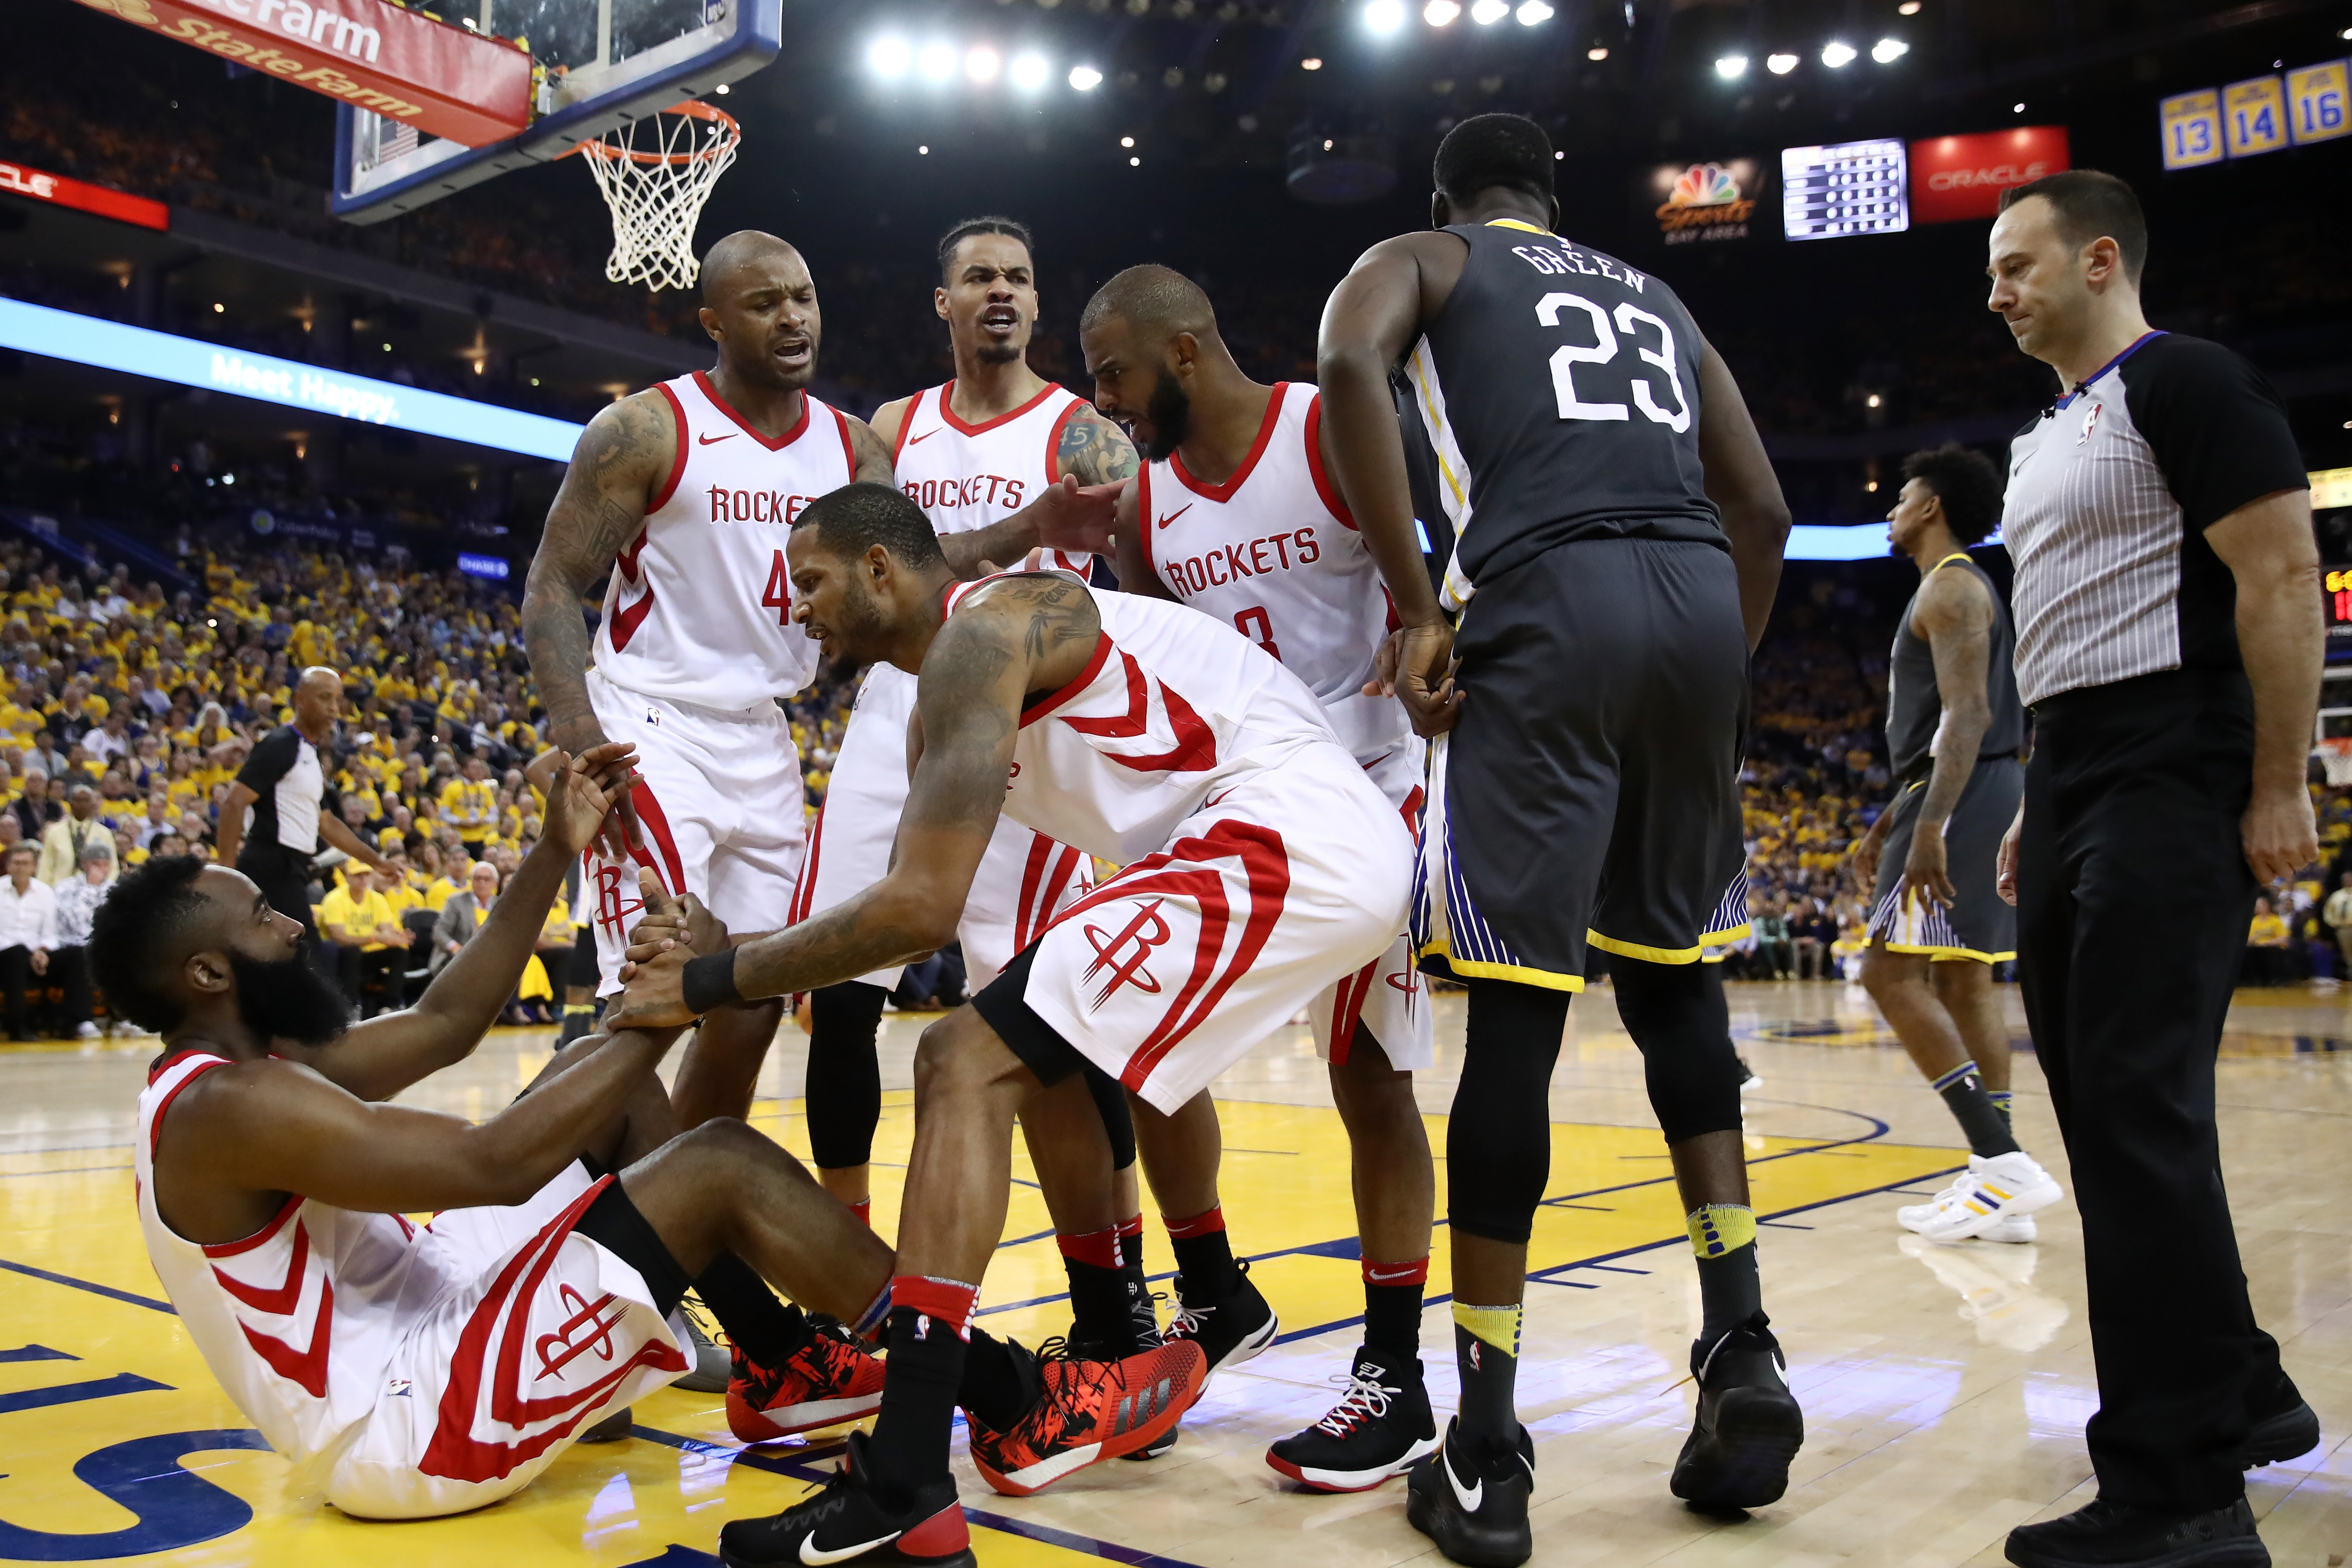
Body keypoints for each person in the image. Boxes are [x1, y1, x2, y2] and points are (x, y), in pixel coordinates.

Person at [608, 481, 1420, 1564]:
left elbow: (915, 910)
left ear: (882, 571)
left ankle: (912, 1468)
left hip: (1291, 832)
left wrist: (712, 980)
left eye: (810, 581)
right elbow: (903, 915)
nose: (792, 606)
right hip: (1255, 838)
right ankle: (980, 1433)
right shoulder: (947, 690)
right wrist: (726, 957)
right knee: (974, 1056)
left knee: (967, 1057)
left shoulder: (985, 629)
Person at [1315, 113, 1796, 1559]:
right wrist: (1708, 672)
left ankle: (1482, 1435)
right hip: (1699, 605)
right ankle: (1742, 1341)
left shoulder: (1426, 256)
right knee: (1674, 980)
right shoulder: (1656, 295)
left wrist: (1416, 604)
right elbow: (1762, 502)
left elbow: (1347, 359)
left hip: (1549, 596)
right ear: (1556, 191)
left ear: (1449, 191)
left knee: (1519, 1016)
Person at [98, 745, 890, 1524]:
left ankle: (775, 1361)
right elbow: (497, 1164)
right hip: (402, 1427)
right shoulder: (228, 1107)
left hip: (428, 1301)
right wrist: (662, 1006)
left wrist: (555, 850)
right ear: (208, 975)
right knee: (719, 1164)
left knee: (606, 1088)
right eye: (264, 918)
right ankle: (979, 1381)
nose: (295, 927)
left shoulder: (238, 1061)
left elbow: (446, 1022)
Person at [1987, 169, 2322, 1567]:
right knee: (2110, 1110)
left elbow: (2284, 573)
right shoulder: (2046, 433)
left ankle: (2181, 1495)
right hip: (2074, 769)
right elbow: (2066, 622)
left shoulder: (2186, 381)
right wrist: (2033, 799)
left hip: (2174, 760)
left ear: (2101, 259)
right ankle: (2241, 1385)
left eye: (2017, 264)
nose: (1997, 292)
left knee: (2136, 1108)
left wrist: (2277, 776)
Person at [1087, 264, 1442, 1490]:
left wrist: (1423, 623)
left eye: (1115, 372)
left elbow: (1425, 589)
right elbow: (1162, 656)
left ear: (1184, 350)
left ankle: (1397, 1374)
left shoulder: (1326, 423)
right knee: (1133, 1032)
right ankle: (1213, 1288)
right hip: (1234, 806)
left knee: (1368, 1075)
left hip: (1366, 784)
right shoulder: (1142, 502)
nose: (1108, 401)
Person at [792, 215, 1131, 1258]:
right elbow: (886, 577)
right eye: (978, 277)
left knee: (1043, 1011)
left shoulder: (1085, 432)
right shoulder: (893, 424)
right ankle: (846, 1279)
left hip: (1027, 724)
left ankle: (1116, 1287)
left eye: (1019, 280)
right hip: (897, 703)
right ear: (941, 302)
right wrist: (1020, 532)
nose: (1000, 292)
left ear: (1037, 305)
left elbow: (1140, 585)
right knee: (839, 992)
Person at [522, 230, 895, 1130]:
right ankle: (533, 1207)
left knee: (750, 999)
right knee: (649, 988)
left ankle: (683, 1210)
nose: (793, 316)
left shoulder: (851, 450)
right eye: (765, 302)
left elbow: (903, 584)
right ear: (713, 322)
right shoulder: (647, 428)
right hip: (650, 724)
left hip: (763, 734)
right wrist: (579, 735)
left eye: (803, 297)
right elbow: (552, 584)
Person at [1851, 443, 2062, 1244]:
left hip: (1963, 792)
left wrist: (1930, 824)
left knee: (1884, 972)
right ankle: (1994, 1188)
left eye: (1900, 497)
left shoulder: (1950, 589)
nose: (1891, 509)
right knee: (1965, 982)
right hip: (1963, 787)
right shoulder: (1957, 587)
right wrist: (1889, 820)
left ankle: (1998, 1157)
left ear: (1930, 507)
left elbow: (1967, 717)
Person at [215, 669, 396, 939]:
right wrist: (228, 874)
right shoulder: (280, 744)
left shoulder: (307, 753)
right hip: (271, 863)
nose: (334, 708)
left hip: (293, 867)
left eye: (337, 700)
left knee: (282, 961)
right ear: (299, 699)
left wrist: (378, 862)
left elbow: (327, 823)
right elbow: (233, 804)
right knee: (306, 954)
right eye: (325, 698)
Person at [318, 863, 407, 1018]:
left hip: (367, 955)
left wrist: (392, 937)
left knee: (399, 953)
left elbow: (386, 929)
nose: (363, 879)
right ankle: (352, 1006)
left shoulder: (377, 899)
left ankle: (390, 1005)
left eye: (367, 875)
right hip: (339, 956)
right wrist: (375, 937)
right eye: (358, 876)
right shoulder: (334, 899)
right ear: (347, 878)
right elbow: (339, 938)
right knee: (351, 951)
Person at [50, 839, 115, 1038]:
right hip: (73, 945)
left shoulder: (116, 889)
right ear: (85, 864)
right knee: (81, 955)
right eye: (96, 864)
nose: (102, 870)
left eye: (106, 865)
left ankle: (125, 1018)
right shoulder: (65, 888)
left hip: (104, 946)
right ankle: (82, 1020)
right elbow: (75, 923)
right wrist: (91, 889)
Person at [0, 842, 55, 1042]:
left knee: (76, 955)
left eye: (25, 863)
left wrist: (42, 951)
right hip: (5, 957)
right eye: (16, 863)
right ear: (8, 866)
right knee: (17, 954)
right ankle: (17, 1026)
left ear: (34, 867)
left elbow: (50, 934)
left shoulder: (46, 893)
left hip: (37, 955)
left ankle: (76, 1022)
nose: (20, 867)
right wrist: (27, 953)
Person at [429, 860, 504, 976]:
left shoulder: (501, 905)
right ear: (472, 882)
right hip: (457, 958)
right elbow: (439, 932)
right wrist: (455, 947)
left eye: (487, 879)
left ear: (495, 883)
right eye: (478, 879)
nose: (482, 883)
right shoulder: (456, 902)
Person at [37, 784, 115, 887]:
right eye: (78, 800)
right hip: (60, 890)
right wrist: (46, 890)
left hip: (95, 890)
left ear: (92, 804)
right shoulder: (55, 832)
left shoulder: (105, 833)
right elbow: (46, 866)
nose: (82, 805)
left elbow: (113, 867)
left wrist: (103, 889)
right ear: (70, 803)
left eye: (86, 801)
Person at [2321, 873, 2352, 978]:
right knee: (2347, 953)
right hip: (2342, 928)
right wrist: (2334, 923)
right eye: (2346, 879)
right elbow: (2328, 912)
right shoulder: (2336, 896)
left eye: (2350, 879)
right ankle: (2350, 973)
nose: (2348, 881)